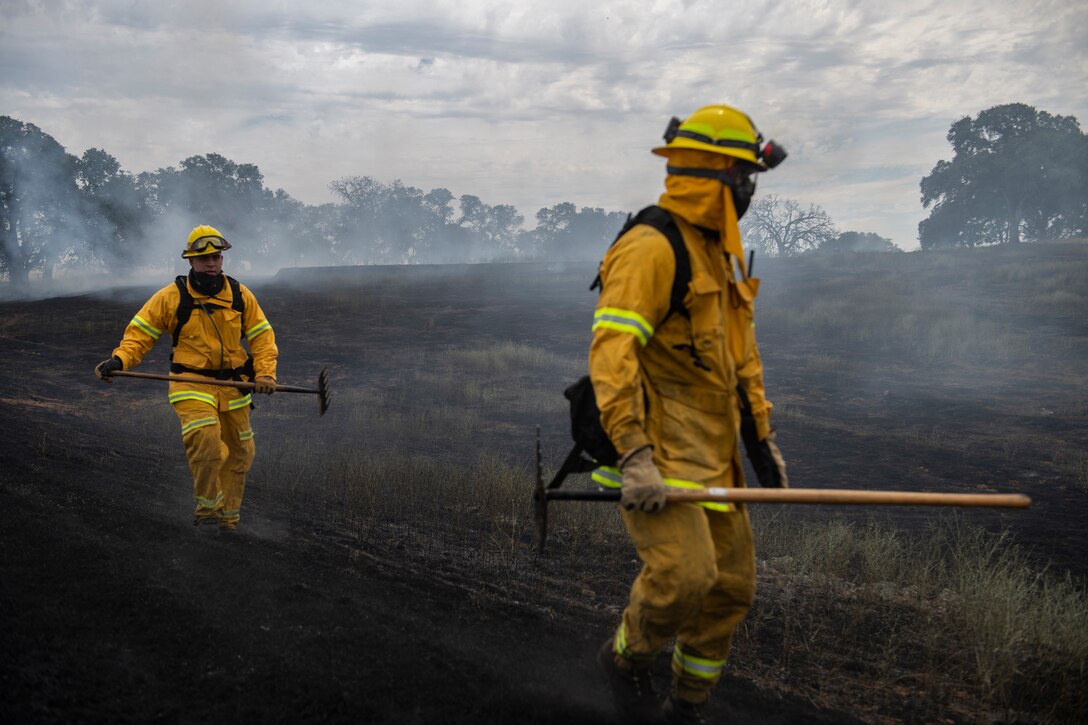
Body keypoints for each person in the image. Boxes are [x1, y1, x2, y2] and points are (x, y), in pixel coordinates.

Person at [589, 105, 789, 724]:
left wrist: (761, 441)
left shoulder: (717, 255)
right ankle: (625, 661)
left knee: (730, 590)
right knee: (684, 576)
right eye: (745, 176)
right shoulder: (651, 247)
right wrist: (634, 455)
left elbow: (740, 358)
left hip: (715, 456)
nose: (751, 190)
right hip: (659, 455)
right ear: (715, 175)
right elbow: (611, 354)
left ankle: (687, 706)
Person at [95, 225, 278, 533]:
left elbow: (262, 337)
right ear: (190, 261)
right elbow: (140, 334)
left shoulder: (239, 294)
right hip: (190, 383)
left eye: (216, 257)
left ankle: (228, 520)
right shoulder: (170, 297)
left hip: (233, 387)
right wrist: (120, 359)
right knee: (206, 439)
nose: (212, 263)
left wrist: (265, 374)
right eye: (204, 258)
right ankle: (207, 510)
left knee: (240, 453)